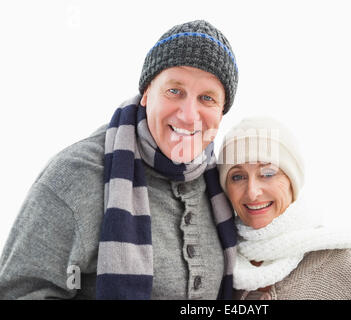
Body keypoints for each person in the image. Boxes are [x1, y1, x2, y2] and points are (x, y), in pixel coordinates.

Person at [0, 20, 238, 300]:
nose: (188, 114)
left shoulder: (223, 185)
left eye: (207, 98)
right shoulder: (78, 175)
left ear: (221, 112)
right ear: (147, 93)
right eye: (175, 91)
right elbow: (19, 292)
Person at [217, 117, 351, 300]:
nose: (252, 192)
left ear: (292, 179)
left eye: (267, 173)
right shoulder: (215, 262)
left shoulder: (348, 264)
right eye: (237, 177)